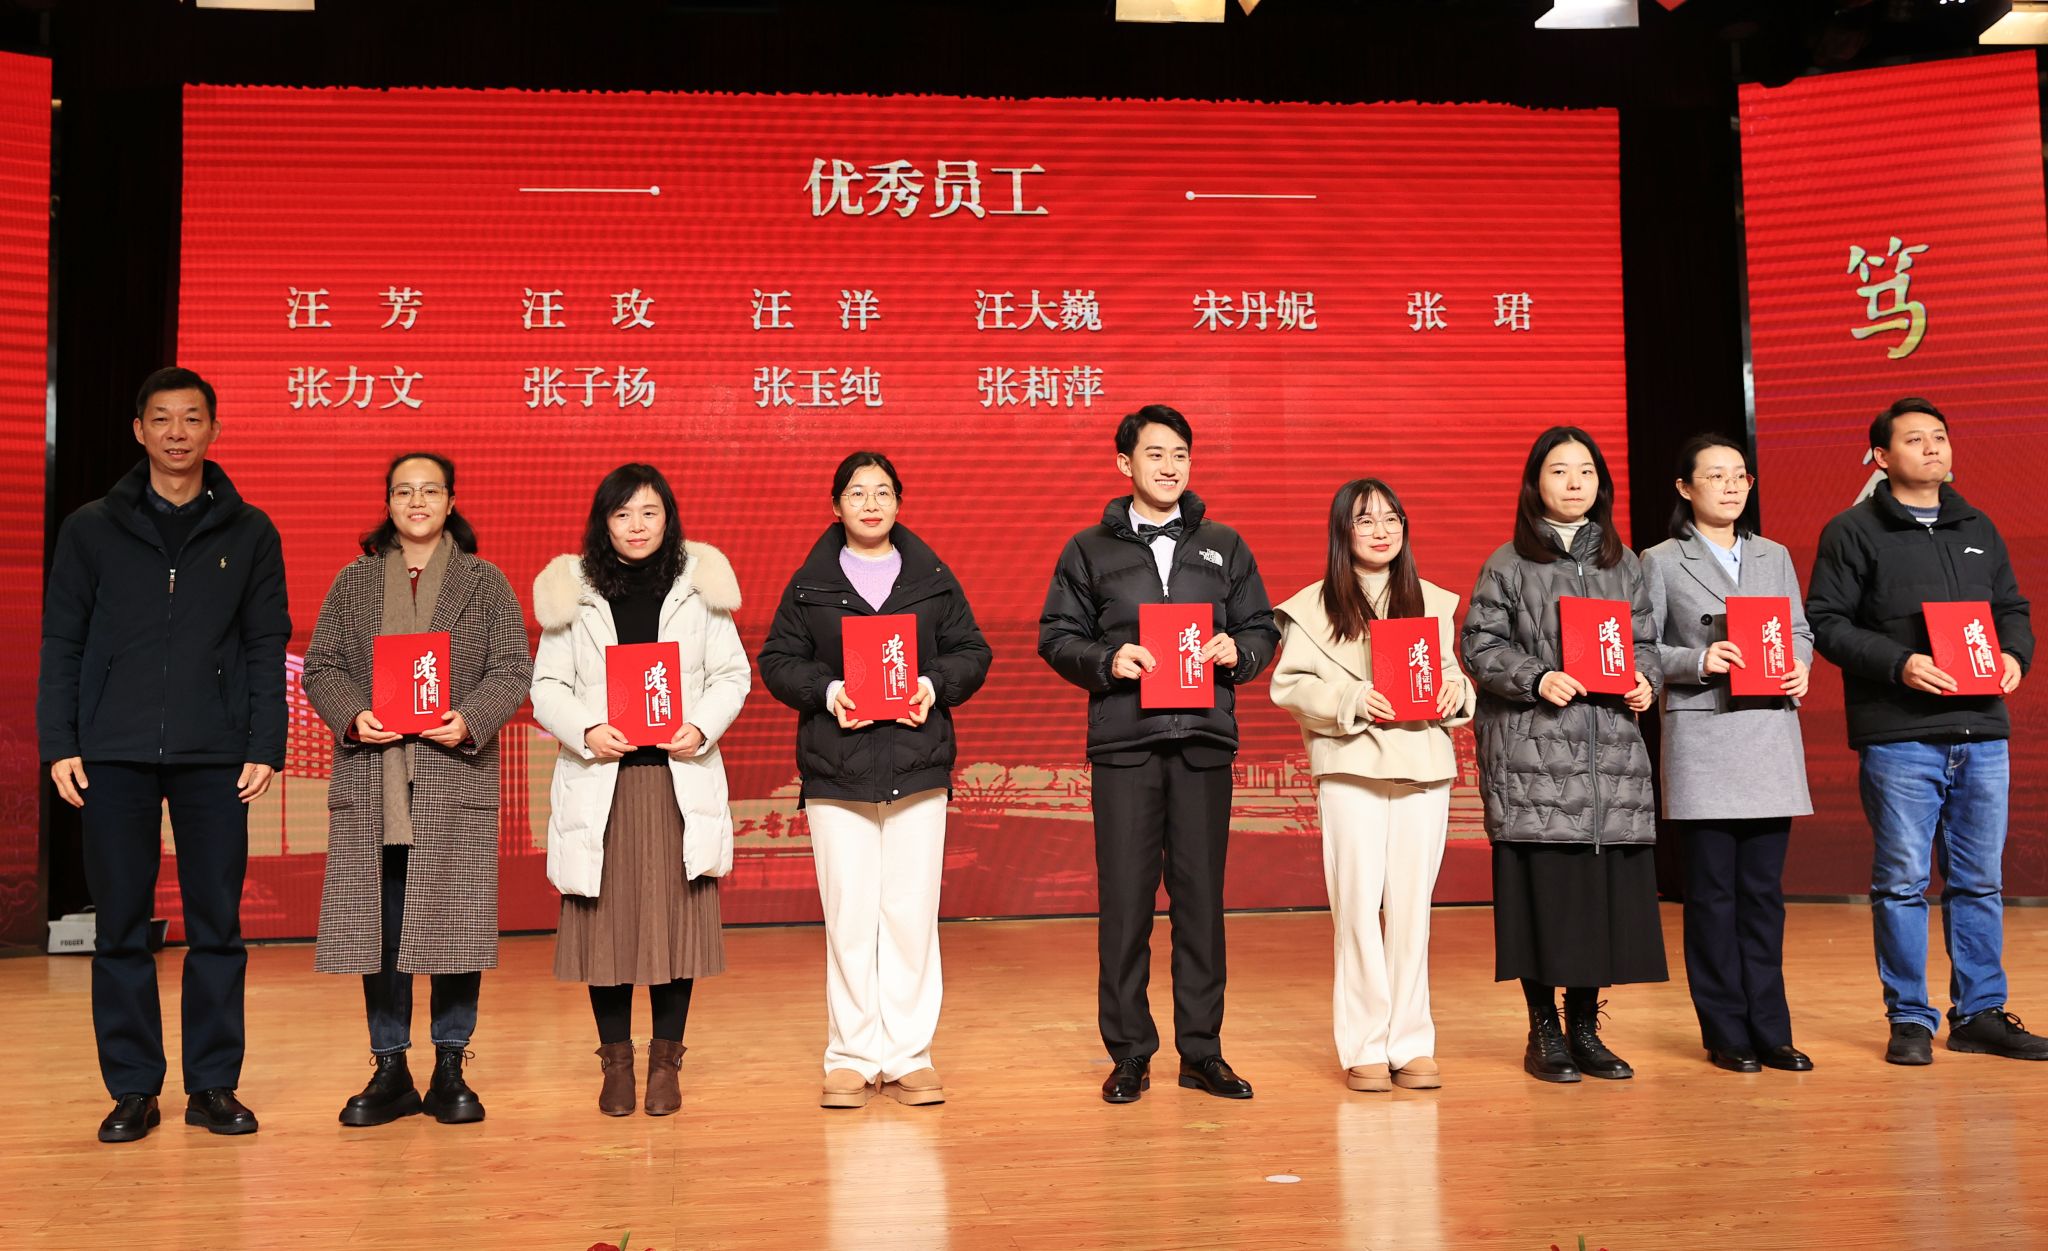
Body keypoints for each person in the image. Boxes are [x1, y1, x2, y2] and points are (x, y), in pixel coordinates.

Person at [36, 367, 290, 1142]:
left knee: (217, 924)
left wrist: (265, 741)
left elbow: (265, 643)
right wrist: (60, 741)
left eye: (191, 417)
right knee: (120, 925)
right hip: (111, 751)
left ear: (214, 428)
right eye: (162, 418)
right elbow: (62, 641)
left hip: (216, 754)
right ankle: (133, 1087)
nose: (177, 432)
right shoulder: (90, 528)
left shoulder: (251, 530)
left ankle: (213, 1084)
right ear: (138, 430)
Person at [1037, 404, 1279, 1104]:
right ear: (1124, 464)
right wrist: (1108, 660)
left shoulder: (1225, 544)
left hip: (1203, 742)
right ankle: (1130, 1053)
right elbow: (1056, 636)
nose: (1170, 466)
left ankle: (1202, 1051)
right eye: (1155, 454)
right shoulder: (1088, 549)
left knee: (1201, 903)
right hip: (1126, 746)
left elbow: (1262, 627)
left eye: (1180, 454)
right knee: (1125, 904)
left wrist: (1240, 651)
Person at [1806, 397, 2043, 1065]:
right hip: (1899, 734)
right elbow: (1826, 621)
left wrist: (2014, 655)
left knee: (1980, 881)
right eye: (1914, 439)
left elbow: (2012, 607)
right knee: (1903, 882)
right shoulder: (1852, 530)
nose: (1933, 447)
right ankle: (1910, 1018)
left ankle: (1980, 1013)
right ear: (1882, 457)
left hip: (1981, 731)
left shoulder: (1978, 525)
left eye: (1939, 436)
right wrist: (1901, 663)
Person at [301, 452, 534, 1126]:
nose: (418, 501)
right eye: (404, 491)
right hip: (375, 776)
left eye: (430, 490)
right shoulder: (354, 581)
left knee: (454, 921)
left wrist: (471, 719)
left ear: (451, 500)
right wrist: (352, 715)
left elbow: (512, 667)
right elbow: (322, 666)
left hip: (451, 771)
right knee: (382, 926)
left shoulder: (484, 581)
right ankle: (390, 1066)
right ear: (388, 503)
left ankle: (451, 1063)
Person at [757, 452, 992, 1109]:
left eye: (882, 491)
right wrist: (829, 690)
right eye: (857, 493)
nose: (870, 503)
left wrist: (932, 685)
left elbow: (973, 651)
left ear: (898, 502)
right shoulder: (811, 583)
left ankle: (910, 1054)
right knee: (850, 916)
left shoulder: (931, 578)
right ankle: (853, 1056)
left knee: (910, 915)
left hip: (918, 765)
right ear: (835, 505)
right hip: (838, 770)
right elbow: (777, 660)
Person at [531, 463, 751, 1115]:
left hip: (676, 781)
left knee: (676, 928)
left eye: (649, 512)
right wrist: (587, 729)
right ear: (604, 523)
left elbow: (731, 675)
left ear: (668, 518)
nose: (636, 525)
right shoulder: (573, 591)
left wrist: (700, 726)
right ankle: (616, 1064)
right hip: (604, 783)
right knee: (605, 929)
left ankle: (665, 1065)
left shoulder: (699, 586)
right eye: (623, 514)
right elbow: (547, 687)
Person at [1460, 425, 1666, 1084]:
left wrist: (1646, 680)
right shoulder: (1508, 563)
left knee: (1598, 903)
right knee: (1544, 901)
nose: (1575, 482)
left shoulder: (1623, 563)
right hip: (1536, 760)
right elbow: (1480, 645)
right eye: (1559, 470)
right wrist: (1536, 676)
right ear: (1535, 484)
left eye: (1586, 471)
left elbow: (1646, 643)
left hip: (1610, 763)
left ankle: (1585, 1028)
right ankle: (1543, 1030)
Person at [1269, 479, 1474, 1093]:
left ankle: (1411, 1042)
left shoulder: (1431, 600)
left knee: (1413, 911)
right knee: (1357, 909)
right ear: (1342, 531)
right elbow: (1290, 686)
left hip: (1423, 764)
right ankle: (1364, 1044)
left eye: (1392, 519)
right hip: (1350, 764)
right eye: (1365, 520)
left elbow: (1452, 676)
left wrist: (1455, 691)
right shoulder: (1311, 607)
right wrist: (1351, 698)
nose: (1381, 530)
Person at [1641, 435, 1814, 1074]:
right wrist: (1698, 660)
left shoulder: (1774, 554)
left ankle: (1772, 1030)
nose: (1732, 486)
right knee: (1713, 896)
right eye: (1716, 476)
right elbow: (1640, 646)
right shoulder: (1660, 560)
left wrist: (1800, 666)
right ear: (1685, 488)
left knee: (1763, 896)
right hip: (1706, 740)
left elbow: (1798, 629)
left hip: (1768, 736)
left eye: (1740, 475)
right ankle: (1725, 1031)